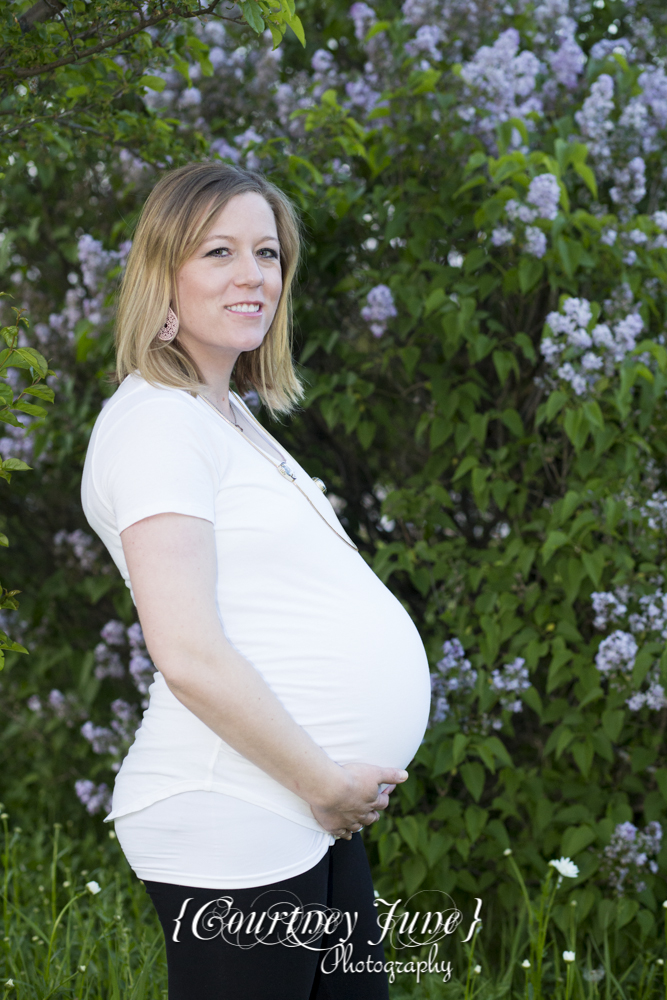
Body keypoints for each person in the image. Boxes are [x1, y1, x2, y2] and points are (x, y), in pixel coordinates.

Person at [81, 161, 431, 999]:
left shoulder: (224, 414)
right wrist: (323, 785)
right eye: (218, 253)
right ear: (161, 274)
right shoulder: (158, 427)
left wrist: (327, 793)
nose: (253, 275)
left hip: (304, 813)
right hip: (237, 816)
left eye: (267, 253)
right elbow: (188, 653)